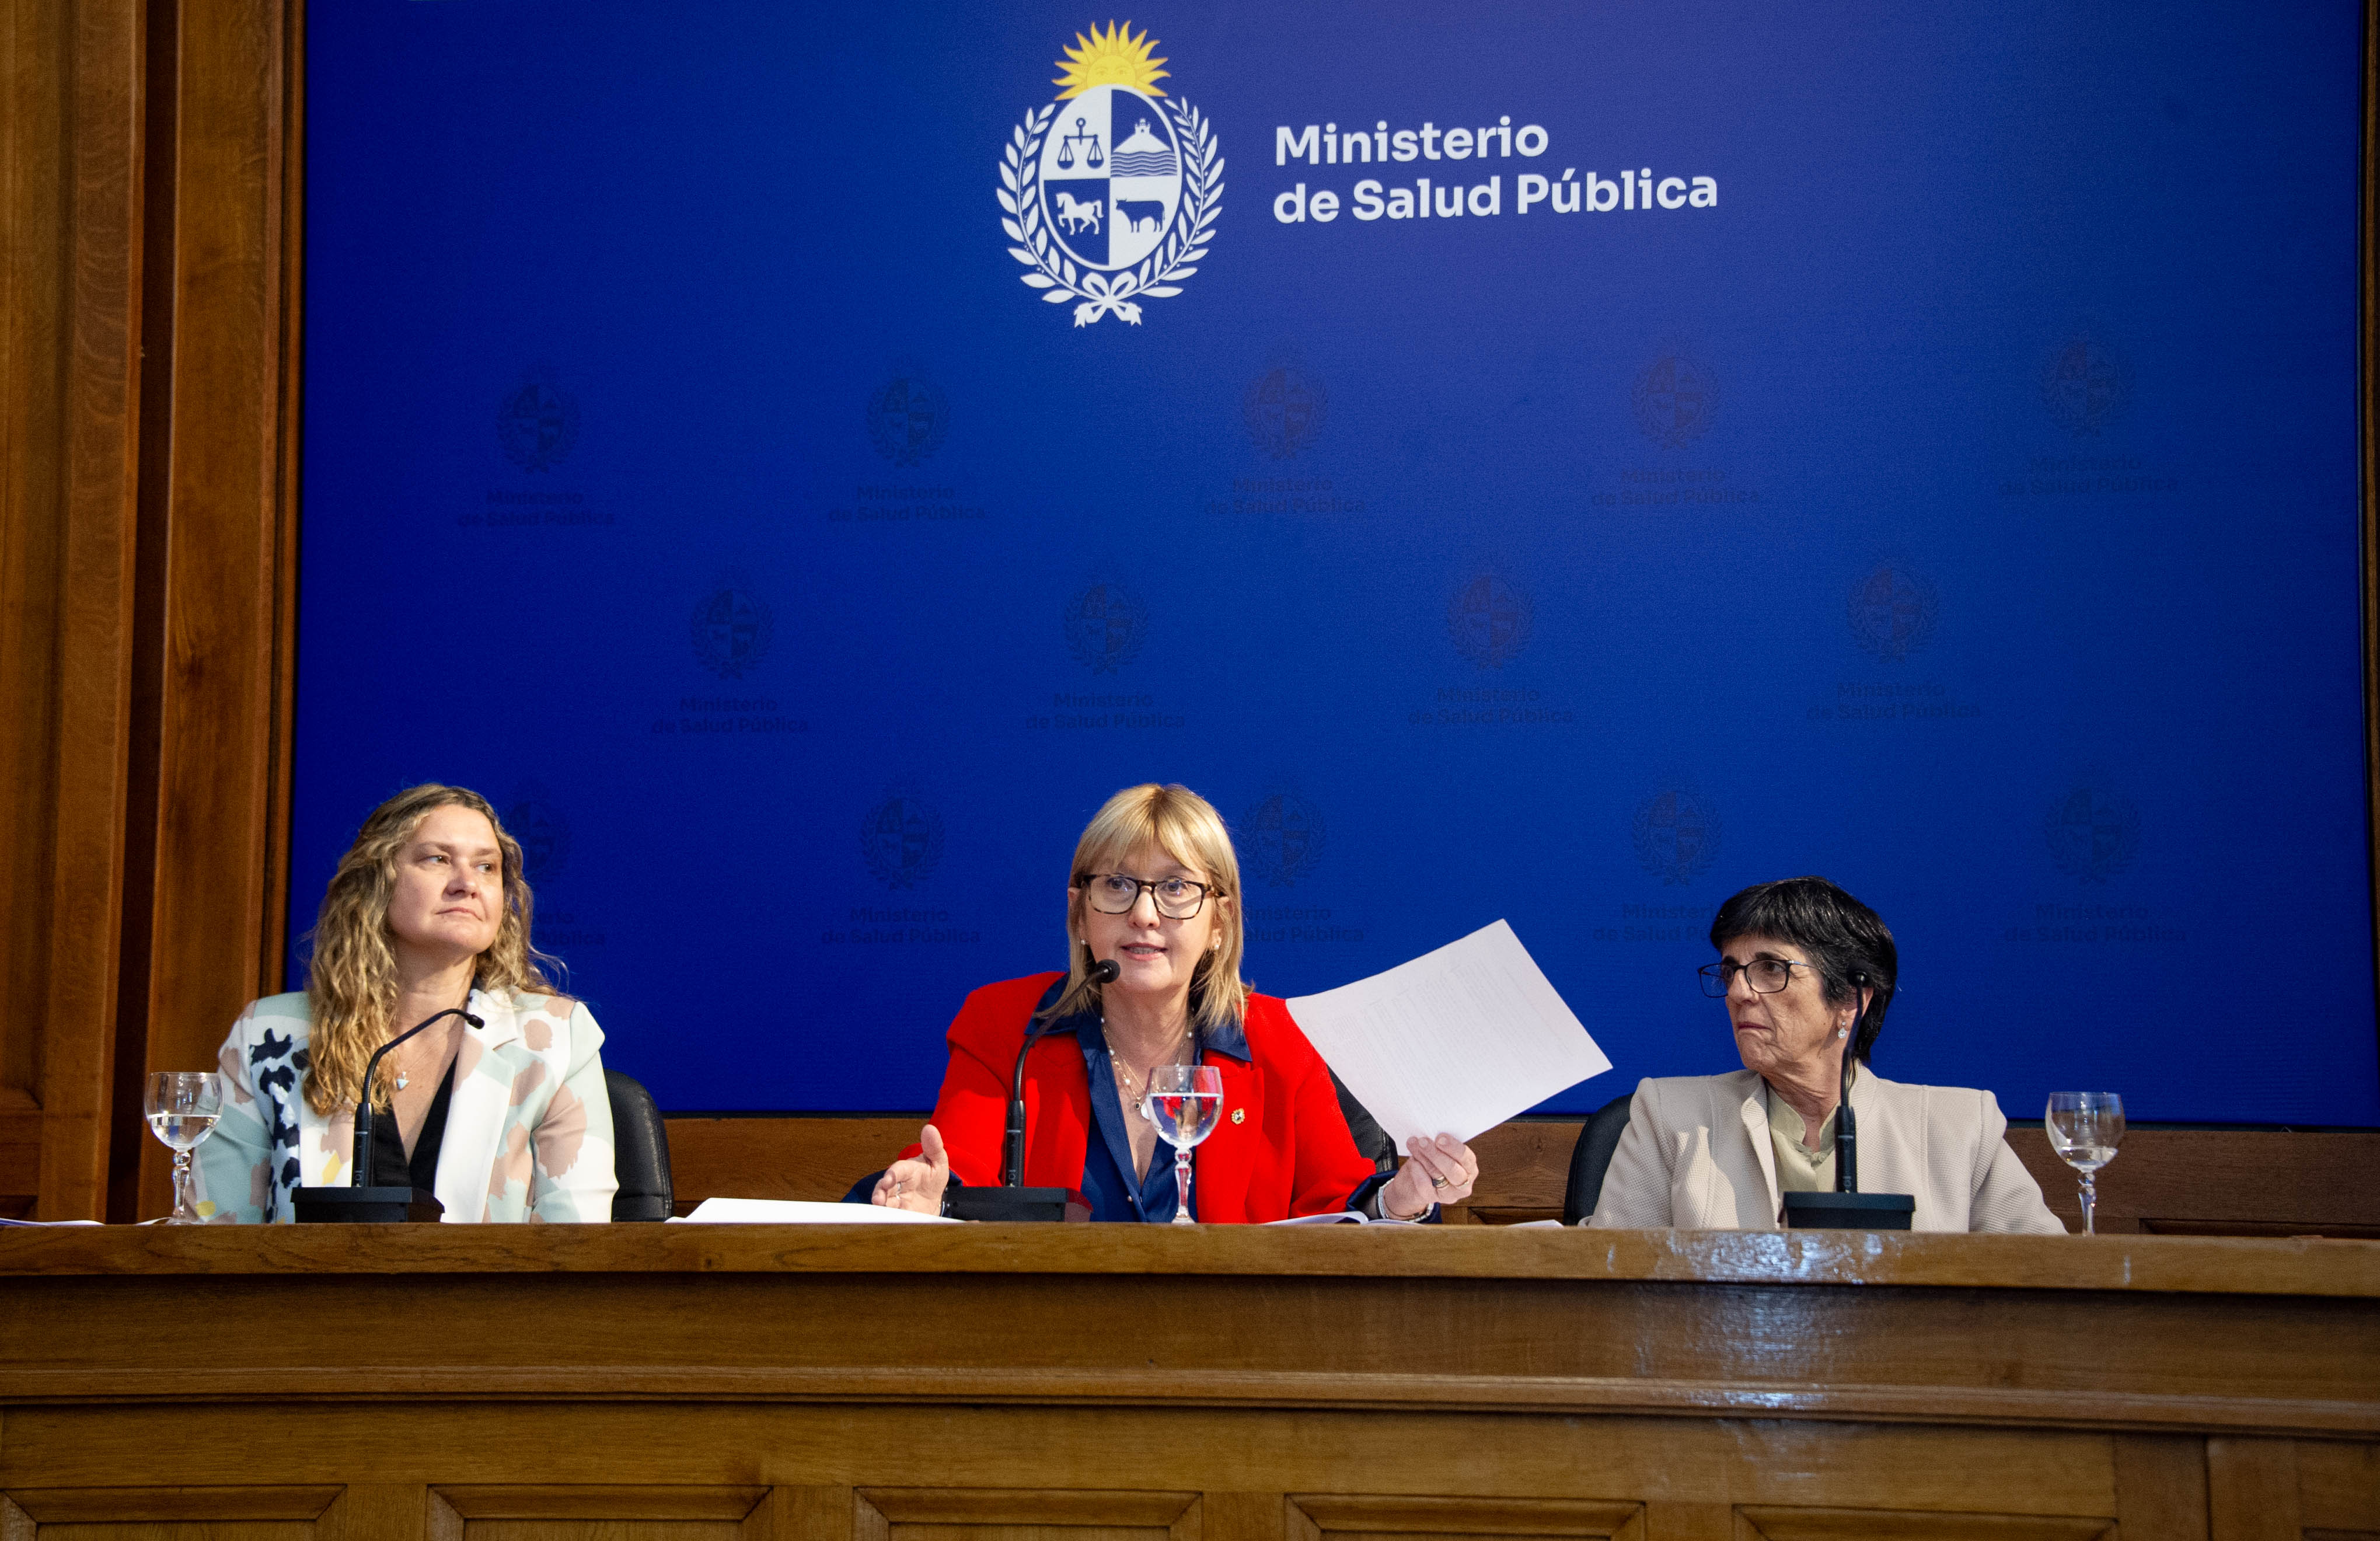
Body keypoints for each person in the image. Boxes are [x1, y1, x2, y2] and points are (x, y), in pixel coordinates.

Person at [871, 783, 1478, 1222]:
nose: (1143, 913)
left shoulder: (1280, 1039)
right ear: (1080, 914)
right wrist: (923, 1199)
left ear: (1220, 922)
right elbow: (953, 1175)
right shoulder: (1010, 1028)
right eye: (1117, 884)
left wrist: (1399, 1201)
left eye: (1176, 887)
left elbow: (1339, 1205)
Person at [194, 784, 616, 1223]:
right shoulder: (269, 1038)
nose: (468, 884)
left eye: (487, 867)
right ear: (375, 883)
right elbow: (214, 1235)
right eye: (437, 859)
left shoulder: (556, 1040)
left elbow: (578, 1242)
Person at [1589, 876, 2063, 1233]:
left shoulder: (1960, 1129)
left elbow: (2047, 1282)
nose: (1738, 992)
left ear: (1851, 1001)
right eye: (1731, 971)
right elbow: (1609, 1281)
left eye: (1770, 968)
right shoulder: (1669, 1117)